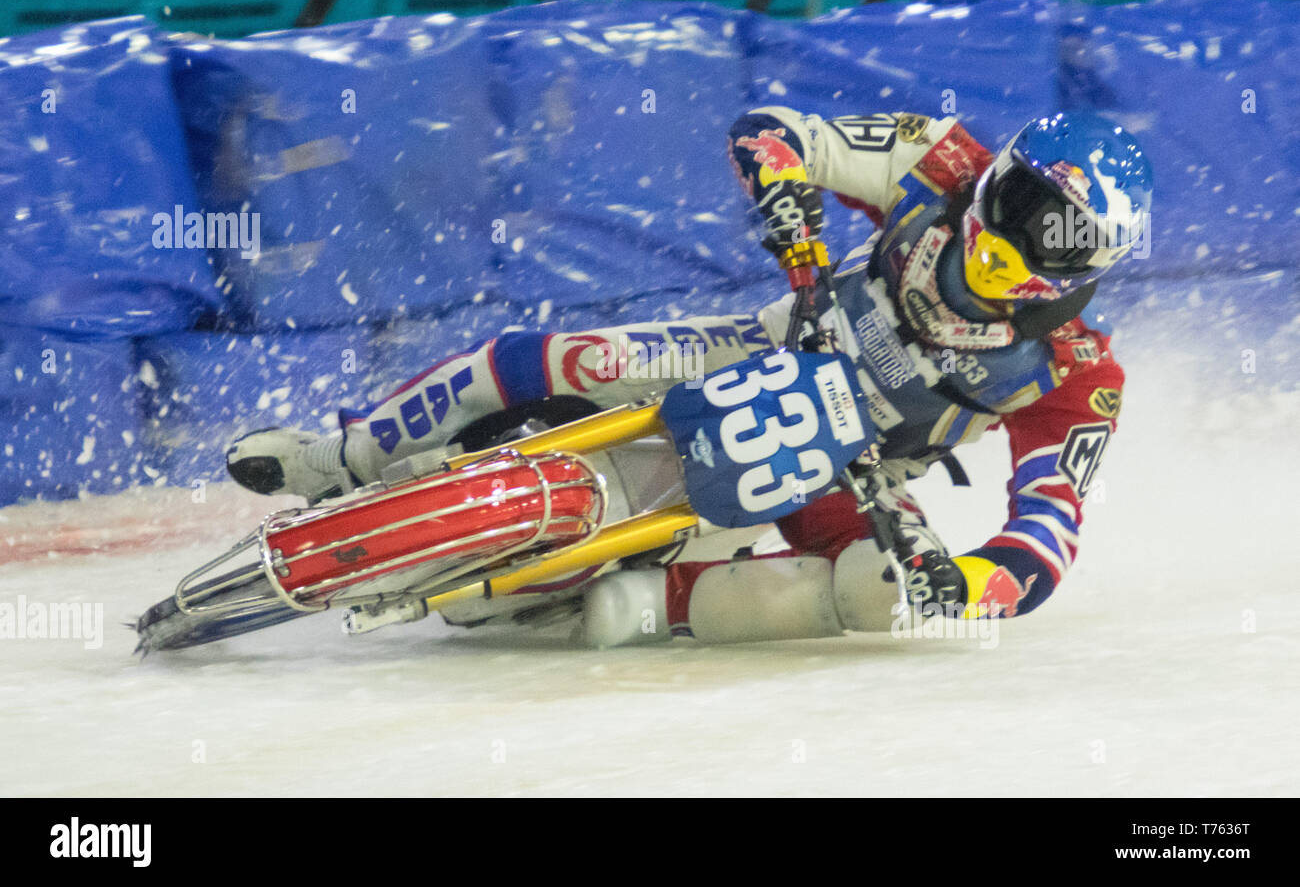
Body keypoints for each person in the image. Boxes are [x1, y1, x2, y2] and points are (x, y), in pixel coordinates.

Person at [225, 109, 1152, 645]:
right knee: (547, 358)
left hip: (858, 471)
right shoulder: (944, 160)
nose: (1026, 237)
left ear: (1091, 266)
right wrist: (784, 189)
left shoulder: (1078, 372)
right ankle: (339, 455)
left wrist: (966, 584)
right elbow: (779, 129)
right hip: (763, 342)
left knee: (884, 597)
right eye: (1029, 203)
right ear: (1004, 178)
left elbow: (1044, 541)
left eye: (1062, 235)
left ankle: (645, 608)